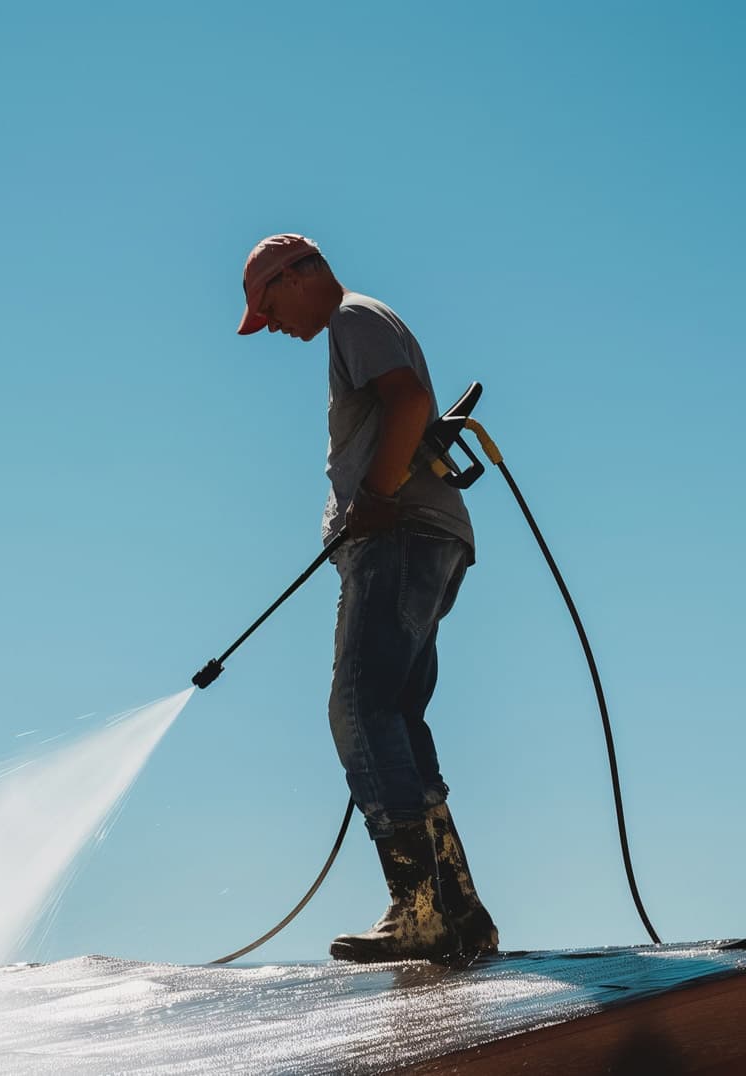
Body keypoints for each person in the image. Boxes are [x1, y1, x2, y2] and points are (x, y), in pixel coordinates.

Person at [235, 233, 498, 964]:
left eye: (269, 307)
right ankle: (459, 911)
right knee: (398, 715)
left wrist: (377, 495)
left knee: (358, 708)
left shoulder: (353, 318)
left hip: (402, 539)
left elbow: (409, 400)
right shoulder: (357, 325)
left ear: (296, 276)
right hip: (425, 538)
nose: (276, 326)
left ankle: (418, 909)